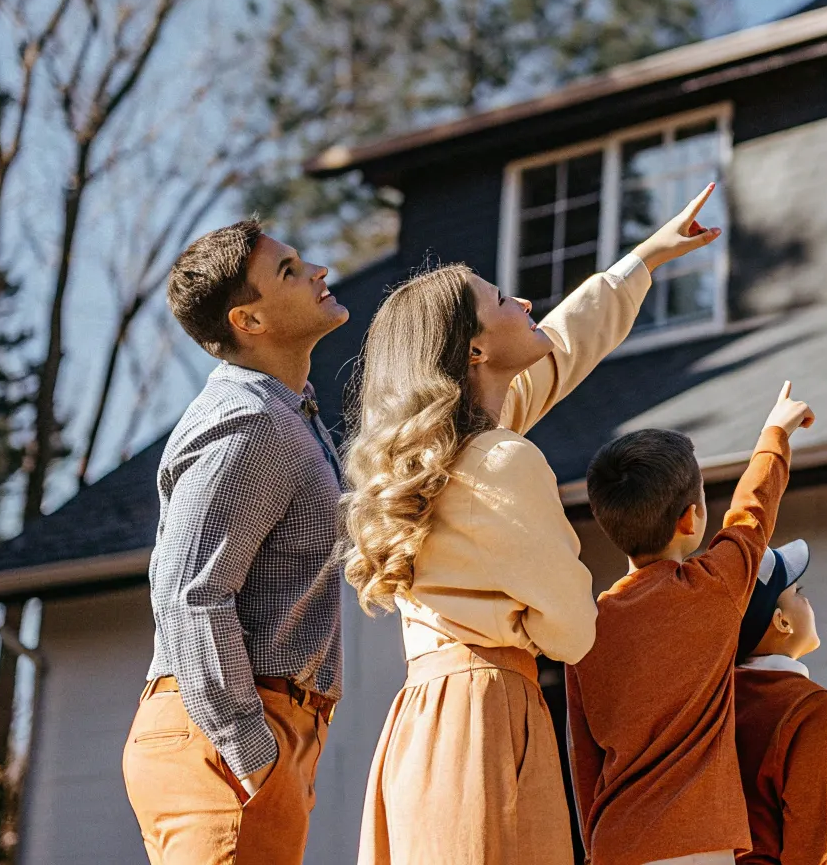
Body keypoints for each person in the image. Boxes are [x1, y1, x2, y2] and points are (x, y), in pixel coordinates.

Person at [342, 184, 723, 865]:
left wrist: (643, 261)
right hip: (490, 717)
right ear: (475, 353)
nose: (523, 302)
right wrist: (521, 623)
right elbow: (572, 631)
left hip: (421, 722)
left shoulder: (445, 457)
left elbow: (568, 344)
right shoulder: (502, 458)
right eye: (500, 302)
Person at [122, 221, 351, 865]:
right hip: (225, 730)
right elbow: (192, 593)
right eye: (288, 270)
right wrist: (251, 749)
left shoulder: (290, 414)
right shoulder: (250, 422)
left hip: (261, 727)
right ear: (248, 319)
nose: (317, 272)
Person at [567, 383, 817, 865]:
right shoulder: (712, 588)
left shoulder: (588, 626)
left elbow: (585, 759)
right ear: (692, 519)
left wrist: (596, 845)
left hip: (615, 844)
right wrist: (775, 435)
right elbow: (751, 516)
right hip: (697, 842)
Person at [732, 540, 827, 865]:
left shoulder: (717, 697)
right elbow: (808, 842)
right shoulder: (809, 704)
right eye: (798, 592)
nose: (808, 600)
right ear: (781, 621)